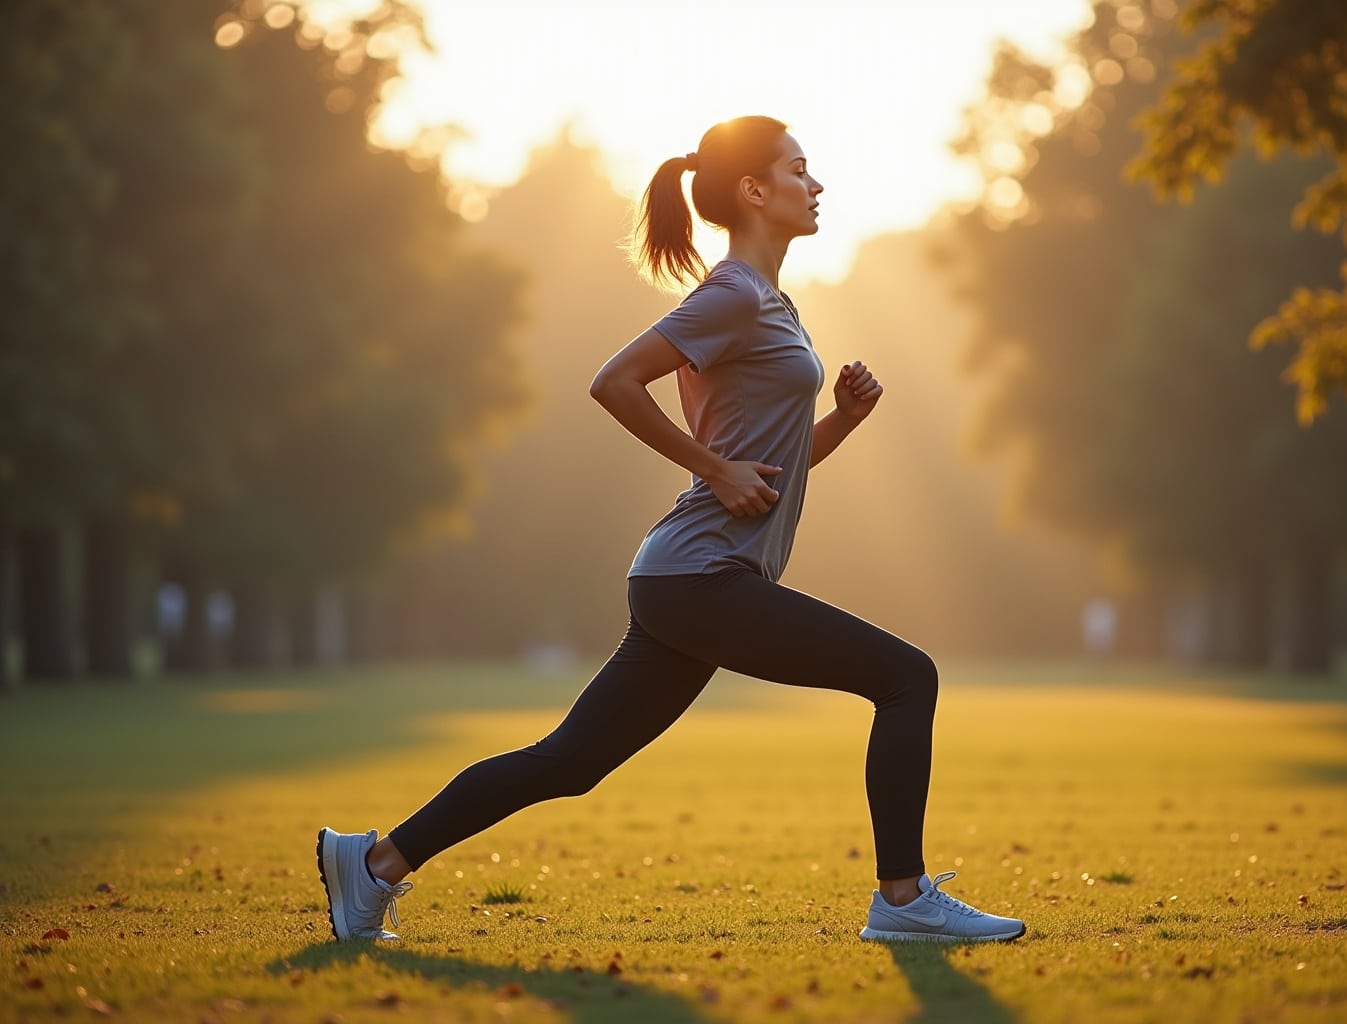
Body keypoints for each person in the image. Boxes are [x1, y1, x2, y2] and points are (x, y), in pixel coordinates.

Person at [317, 115, 1025, 944]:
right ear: (755, 190)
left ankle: (371, 867)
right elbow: (613, 382)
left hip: (688, 580)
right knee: (908, 678)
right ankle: (903, 902)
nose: (818, 184)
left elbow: (768, 471)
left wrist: (840, 422)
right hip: (700, 577)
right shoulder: (732, 293)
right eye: (801, 169)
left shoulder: (771, 301)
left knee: (571, 763)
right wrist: (714, 468)